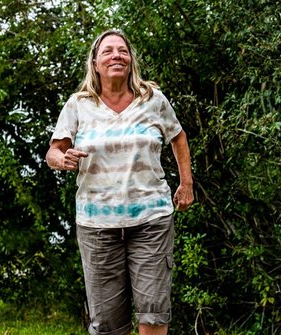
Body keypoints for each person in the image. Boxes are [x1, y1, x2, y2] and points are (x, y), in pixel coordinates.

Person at [46, 29, 194, 335]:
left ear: (131, 61)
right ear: (96, 64)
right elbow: (53, 151)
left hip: (151, 220)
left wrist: (186, 183)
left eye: (123, 51)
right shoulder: (79, 104)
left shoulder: (153, 100)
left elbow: (177, 136)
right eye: (108, 51)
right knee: (108, 324)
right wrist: (61, 159)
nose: (117, 55)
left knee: (154, 315)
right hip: (97, 225)